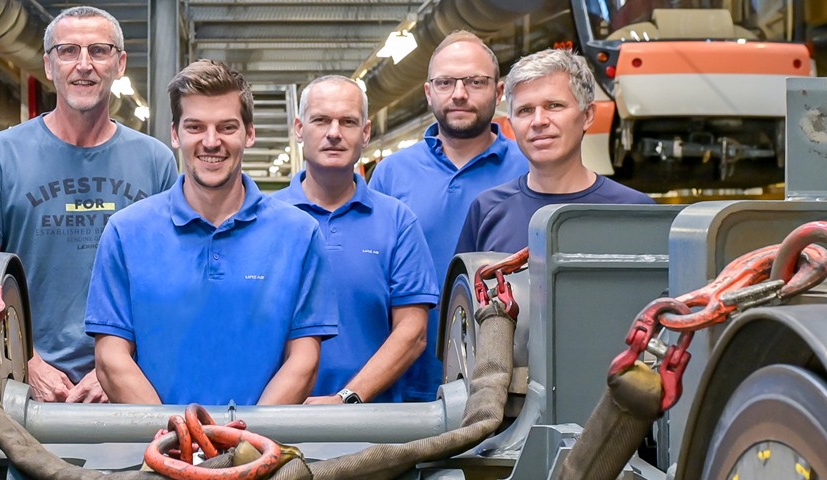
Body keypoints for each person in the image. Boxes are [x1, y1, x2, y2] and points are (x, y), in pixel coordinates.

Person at [0, 6, 177, 404]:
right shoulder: (0, 156)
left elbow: (169, 282)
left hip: (133, 382)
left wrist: (118, 368)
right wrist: (27, 361)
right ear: (49, 66)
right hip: (24, 386)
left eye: (99, 51)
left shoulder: (156, 161)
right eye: (68, 51)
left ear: (119, 64)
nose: (83, 65)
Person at [85, 60, 339, 406]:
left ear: (249, 134)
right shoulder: (126, 232)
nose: (211, 141)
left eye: (226, 127)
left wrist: (245, 441)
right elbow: (111, 360)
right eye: (195, 127)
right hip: (154, 452)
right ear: (175, 134)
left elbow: (304, 361)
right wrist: (176, 439)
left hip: (263, 451)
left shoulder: (299, 235)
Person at [368, 31, 529, 401]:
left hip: (504, 380)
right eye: (445, 82)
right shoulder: (392, 174)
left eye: (475, 81)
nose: (459, 93)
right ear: (429, 93)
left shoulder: (529, 169)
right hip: (406, 383)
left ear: (499, 91)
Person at [274, 75, 438, 404]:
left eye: (347, 122)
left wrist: (347, 399)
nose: (334, 133)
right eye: (320, 120)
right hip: (275, 424)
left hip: (372, 428)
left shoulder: (397, 221)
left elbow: (413, 332)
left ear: (365, 134)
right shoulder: (265, 218)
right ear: (299, 129)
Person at [455, 49, 655, 254]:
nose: (539, 121)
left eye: (554, 106)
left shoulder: (635, 211)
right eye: (525, 110)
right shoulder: (487, 210)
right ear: (511, 123)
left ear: (587, 115)